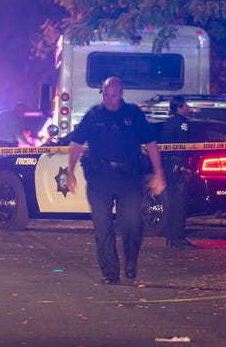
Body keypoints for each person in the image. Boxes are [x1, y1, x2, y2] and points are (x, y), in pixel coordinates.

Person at [66, 77, 167, 284]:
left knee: (131, 222)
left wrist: (159, 173)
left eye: (113, 96)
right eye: (105, 95)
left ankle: (131, 261)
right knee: (102, 226)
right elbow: (76, 144)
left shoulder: (133, 114)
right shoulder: (94, 115)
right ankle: (110, 272)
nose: (109, 100)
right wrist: (70, 172)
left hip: (128, 178)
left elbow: (151, 144)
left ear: (121, 94)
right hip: (99, 178)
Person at [160, 95, 197, 249]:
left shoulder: (168, 122)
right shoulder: (182, 123)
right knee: (179, 203)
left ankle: (171, 238)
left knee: (171, 203)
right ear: (179, 108)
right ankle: (178, 238)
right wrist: (183, 165)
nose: (188, 108)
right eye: (186, 105)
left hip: (168, 165)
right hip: (177, 166)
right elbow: (182, 146)